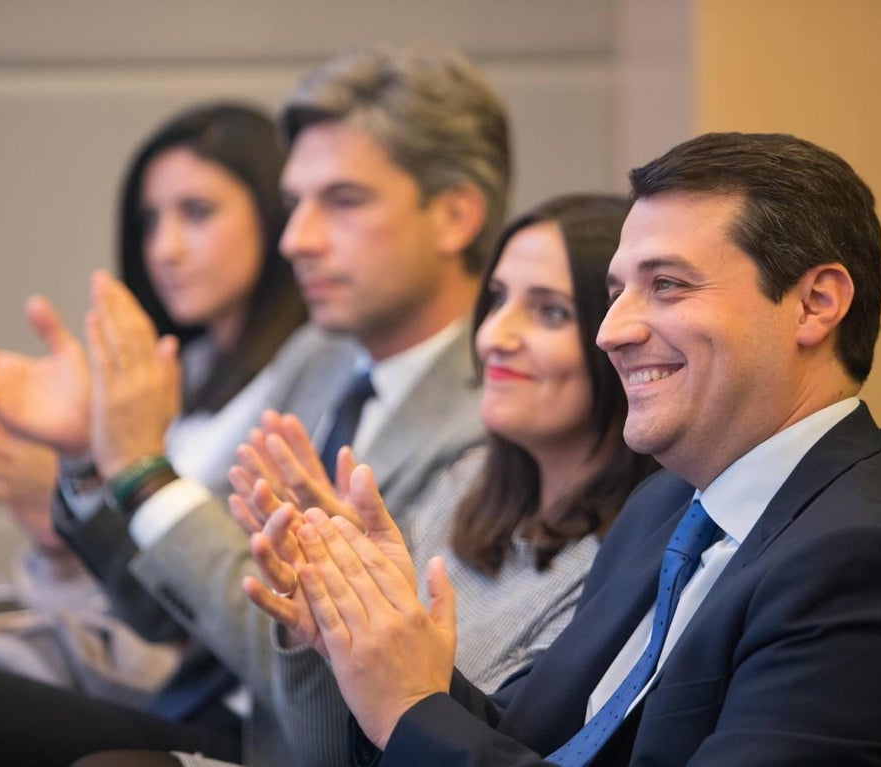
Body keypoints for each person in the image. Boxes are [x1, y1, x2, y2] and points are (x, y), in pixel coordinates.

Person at [0, 43, 511, 767]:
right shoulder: (321, 356)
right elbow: (163, 607)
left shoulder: (486, 420)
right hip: (188, 699)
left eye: (343, 201)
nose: (296, 239)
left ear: (454, 216)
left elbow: (339, 665)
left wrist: (144, 473)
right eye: (295, 203)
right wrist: (87, 458)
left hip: (283, 742)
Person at [246, 132, 881, 766]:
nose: (610, 330)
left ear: (816, 303)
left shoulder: (868, 555)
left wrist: (411, 706)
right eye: (616, 292)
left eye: (666, 285)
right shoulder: (665, 505)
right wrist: (371, 635)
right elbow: (535, 743)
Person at [0, 101, 305, 767]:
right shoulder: (189, 366)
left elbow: (194, 596)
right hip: (100, 616)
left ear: (273, 215)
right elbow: (107, 565)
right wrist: (70, 492)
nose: (165, 248)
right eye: (150, 221)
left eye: (197, 213)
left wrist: (89, 480)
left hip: (161, 657)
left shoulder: (302, 379)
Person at [181, 194, 657, 767]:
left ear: (622, 338)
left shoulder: (625, 563)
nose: (494, 335)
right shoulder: (465, 484)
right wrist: (328, 626)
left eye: (550, 312)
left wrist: (382, 652)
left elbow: (498, 749)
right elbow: (326, 756)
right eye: (497, 299)